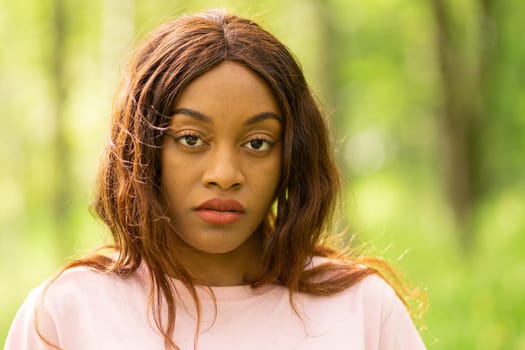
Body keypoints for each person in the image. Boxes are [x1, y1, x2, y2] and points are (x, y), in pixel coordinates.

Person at [5, 9, 426, 350]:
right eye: (191, 139)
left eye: (258, 143)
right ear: (144, 151)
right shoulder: (65, 314)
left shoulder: (362, 310)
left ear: (292, 156)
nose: (225, 175)